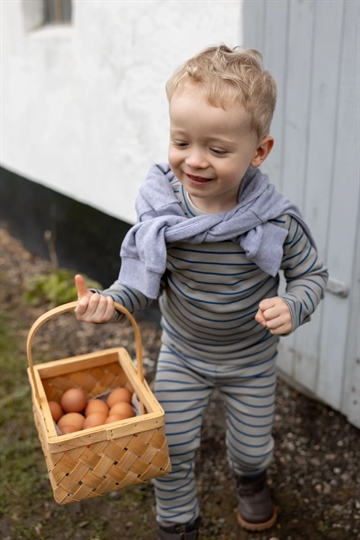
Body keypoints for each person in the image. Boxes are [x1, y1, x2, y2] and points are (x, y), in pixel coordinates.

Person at [74, 45, 328, 539]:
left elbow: (312, 276)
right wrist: (111, 301)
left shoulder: (275, 222)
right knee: (168, 442)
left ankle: (251, 480)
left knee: (253, 446)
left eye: (216, 149)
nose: (194, 161)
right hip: (184, 355)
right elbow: (138, 285)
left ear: (258, 152)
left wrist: (295, 304)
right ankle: (177, 522)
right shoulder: (164, 214)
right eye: (181, 141)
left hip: (250, 359)